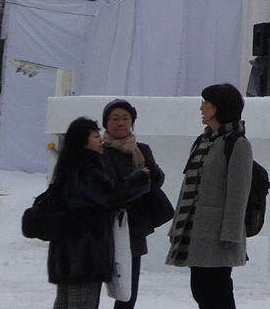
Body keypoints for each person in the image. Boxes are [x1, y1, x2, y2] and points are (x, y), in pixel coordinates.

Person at [46, 117, 150, 309]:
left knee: (64, 303)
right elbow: (110, 196)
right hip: (84, 255)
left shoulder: (67, 167)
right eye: (95, 135)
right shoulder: (87, 167)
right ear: (83, 141)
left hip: (66, 253)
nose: (101, 139)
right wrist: (140, 179)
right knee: (81, 303)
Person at [166, 83, 252, 309]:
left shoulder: (237, 143)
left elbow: (238, 193)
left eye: (206, 103)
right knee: (201, 291)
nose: (202, 108)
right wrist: (177, 226)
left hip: (217, 236)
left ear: (219, 108)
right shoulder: (203, 141)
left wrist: (230, 235)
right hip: (195, 231)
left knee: (218, 293)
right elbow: (188, 187)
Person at [99, 100, 171, 309]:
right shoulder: (99, 152)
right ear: (106, 123)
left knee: (127, 289)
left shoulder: (141, 150)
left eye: (125, 118)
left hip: (133, 227)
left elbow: (156, 180)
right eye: (115, 119)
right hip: (103, 227)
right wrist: (138, 180)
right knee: (92, 285)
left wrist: (150, 172)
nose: (120, 123)